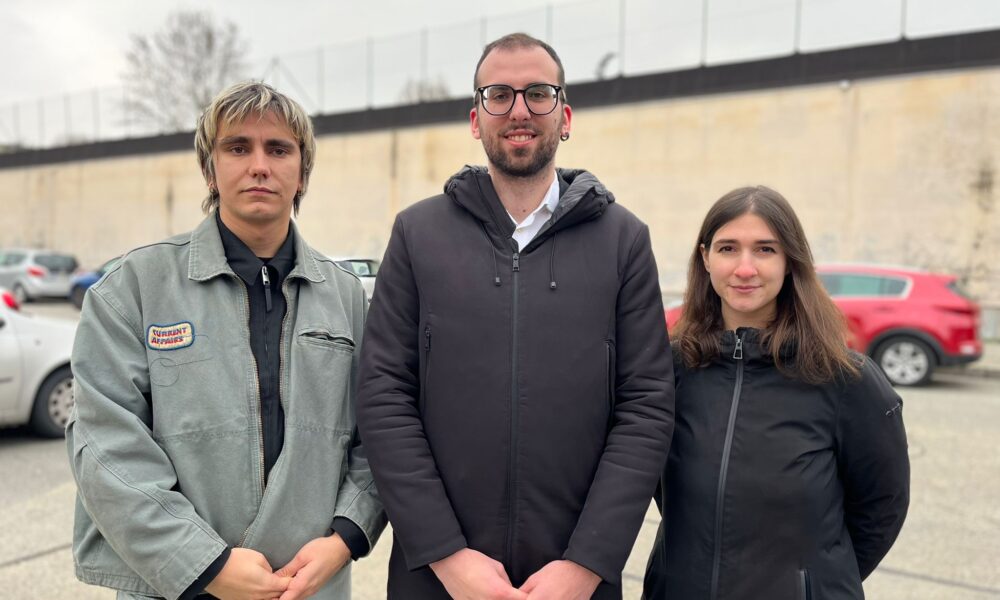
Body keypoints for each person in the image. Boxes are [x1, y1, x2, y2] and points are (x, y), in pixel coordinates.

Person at [356, 33, 675, 600]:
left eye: (538, 93)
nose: (519, 110)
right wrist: (447, 557)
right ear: (475, 119)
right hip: (437, 580)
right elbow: (384, 397)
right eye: (499, 94)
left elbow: (646, 408)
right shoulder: (417, 235)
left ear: (565, 116)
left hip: (574, 584)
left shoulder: (623, 241)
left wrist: (587, 564)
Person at [66, 81, 385, 600]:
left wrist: (345, 538)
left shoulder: (347, 296)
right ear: (209, 169)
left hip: (309, 586)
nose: (259, 166)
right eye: (238, 147)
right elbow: (104, 446)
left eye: (278, 149)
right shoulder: (134, 288)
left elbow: (380, 432)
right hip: (179, 587)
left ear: (302, 172)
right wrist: (205, 565)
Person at [643, 186, 910, 599]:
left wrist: (813, 582)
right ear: (705, 258)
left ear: (790, 261)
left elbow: (882, 506)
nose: (744, 268)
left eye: (765, 250)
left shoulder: (845, 378)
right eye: (728, 248)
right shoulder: (673, 368)